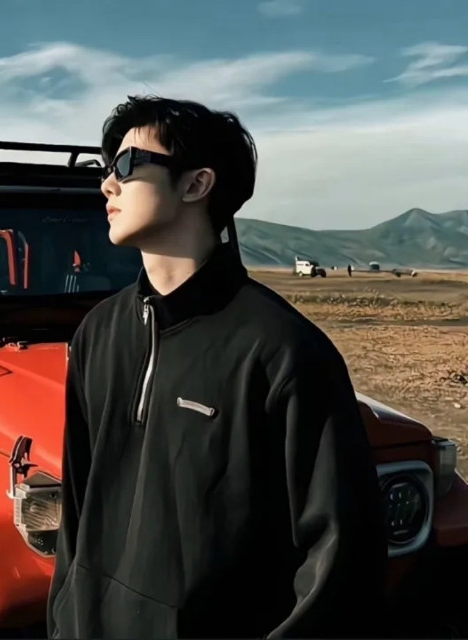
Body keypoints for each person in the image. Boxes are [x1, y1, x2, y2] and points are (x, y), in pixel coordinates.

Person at [46, 95, 387, 639]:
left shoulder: (282, 350)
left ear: (196, 184)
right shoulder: (98, 333)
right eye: (107, 169)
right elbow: (78, 508)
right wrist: (65, 618)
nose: (108, 184)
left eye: (128, 165)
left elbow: (341, 557)